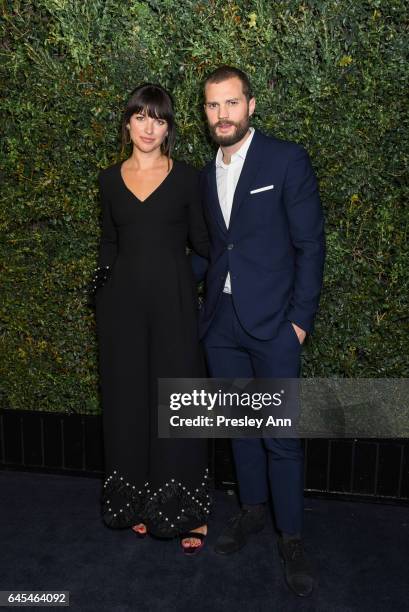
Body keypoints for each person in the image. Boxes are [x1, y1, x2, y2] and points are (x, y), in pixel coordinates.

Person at [198, 66, 325, 595]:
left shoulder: (285, 158)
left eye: (231, 103)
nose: (221, 115)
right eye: (211, 106)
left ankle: (290, 536)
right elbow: (214, 250)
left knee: (281, 438)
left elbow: (310, 245)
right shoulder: (205, 173)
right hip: (222, 325)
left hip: (274, 325)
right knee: (240, 430)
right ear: (204, 112)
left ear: (250, 105)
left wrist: (298, 321)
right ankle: (251, 511)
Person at [94, 83, 210, 553]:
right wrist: (103, 291)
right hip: (121, 312)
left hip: (173, 309)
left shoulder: (187, 178)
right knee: (128, 403)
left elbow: (204, 245)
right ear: (128, 123)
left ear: (169, 128)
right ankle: (138, 501)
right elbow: (108, 242)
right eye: (141, 117)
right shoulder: (107, 179)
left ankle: (187, 513)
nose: (149, 127)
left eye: (159, 119)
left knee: (179, 404)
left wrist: (182, 283)